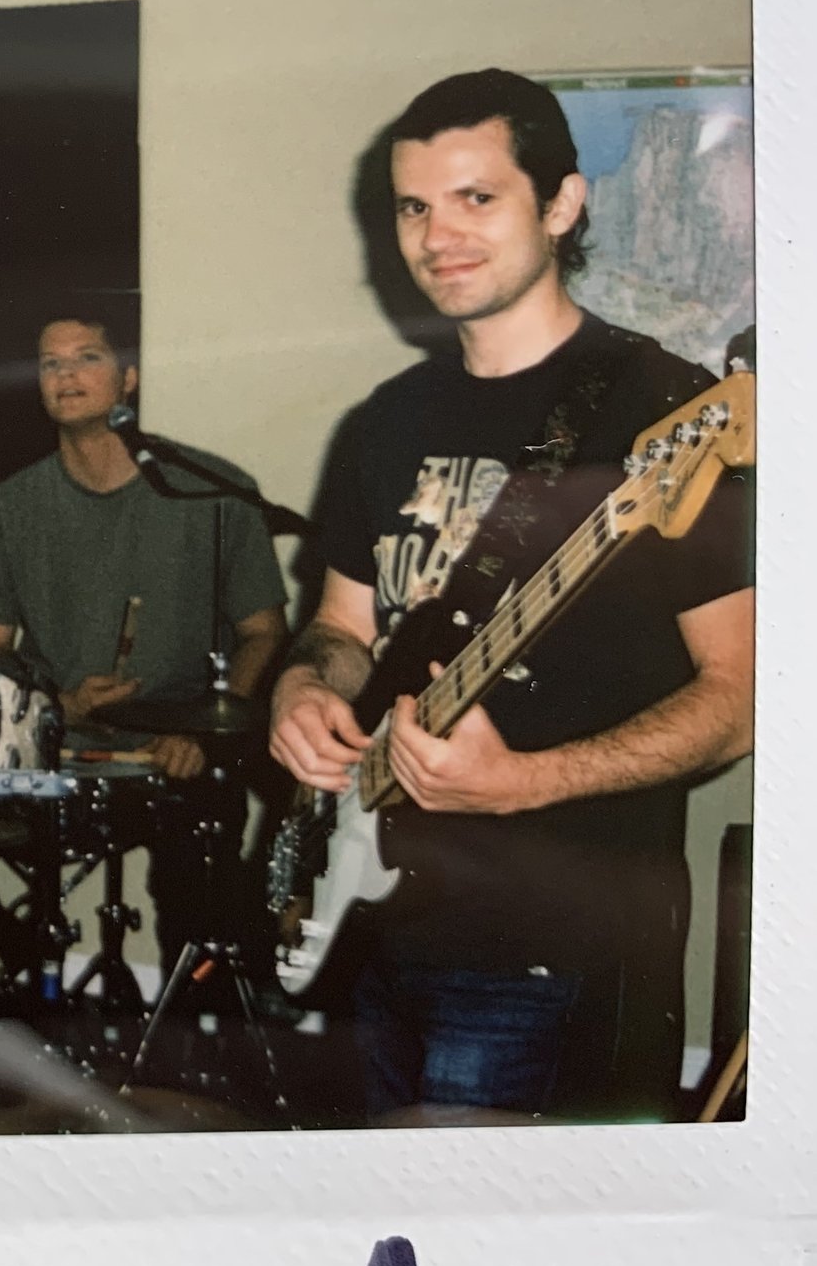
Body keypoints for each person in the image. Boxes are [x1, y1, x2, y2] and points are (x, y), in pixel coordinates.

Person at [269, 68, 753, 1122]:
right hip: (374, 922)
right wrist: (302, 692)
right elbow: (342, 627)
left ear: (562, 204)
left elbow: (741, 697)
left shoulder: (664, 415)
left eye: (475, 198)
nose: (437, 234)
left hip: (551, 948)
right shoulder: (383, 423)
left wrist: (524, 782)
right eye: (413, 206)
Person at [0, 311, 289, 983]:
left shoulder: (212, 492)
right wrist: (59, 706)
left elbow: (264, 633)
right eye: (50, 363)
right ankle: (14, 976)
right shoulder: (10, 506)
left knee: (205, 892)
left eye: (88, 357)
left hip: (178, 755)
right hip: (56, 752)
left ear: (128, 378)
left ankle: (190, 1046)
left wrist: (209, 727)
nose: (67, 374)